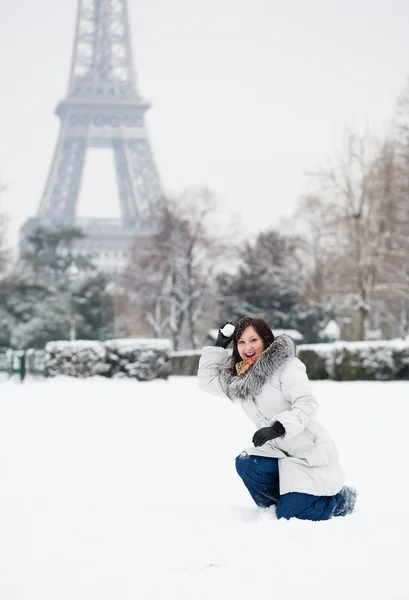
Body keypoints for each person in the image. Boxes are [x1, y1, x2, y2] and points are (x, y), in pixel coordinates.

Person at [197, 316, 357, 521]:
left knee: (289, 515)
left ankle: (341, 499)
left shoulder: (287, 366)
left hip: (307, 451)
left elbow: (307, 403)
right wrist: (219, 347)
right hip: (277, 451)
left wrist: (280, 427)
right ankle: (281, 501)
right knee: (247, 463)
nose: (247, 348)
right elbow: (207, 382)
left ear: (265, 339)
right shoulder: (241, 377)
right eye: (241, 342)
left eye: (253, 340)